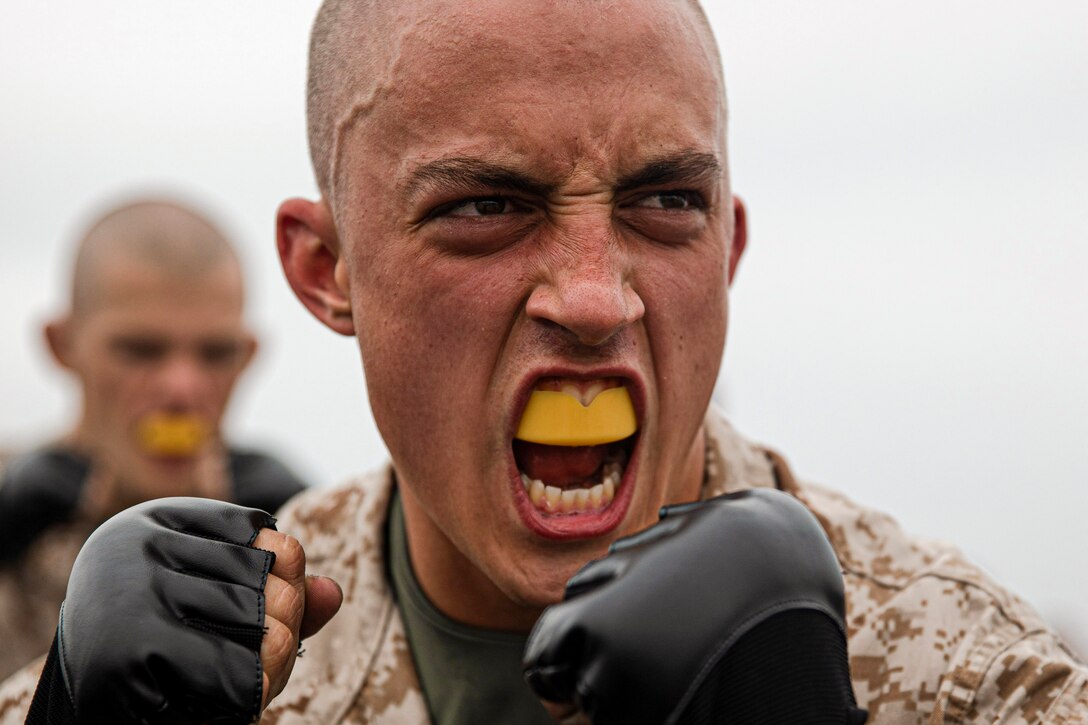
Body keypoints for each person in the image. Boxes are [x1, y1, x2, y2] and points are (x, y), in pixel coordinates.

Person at [2, 1, 1086, 722]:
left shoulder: (955, 669)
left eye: (664, 203)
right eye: (486, 206)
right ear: (329, 268)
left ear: (726, 253)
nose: (590, 296)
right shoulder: (226, 669)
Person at [0, 198, 307, 682]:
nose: (182, 388)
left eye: (215, 352)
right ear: (62, 345)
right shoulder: (13, 509)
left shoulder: (299, 525)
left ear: (248, 357)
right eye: (140, 350)